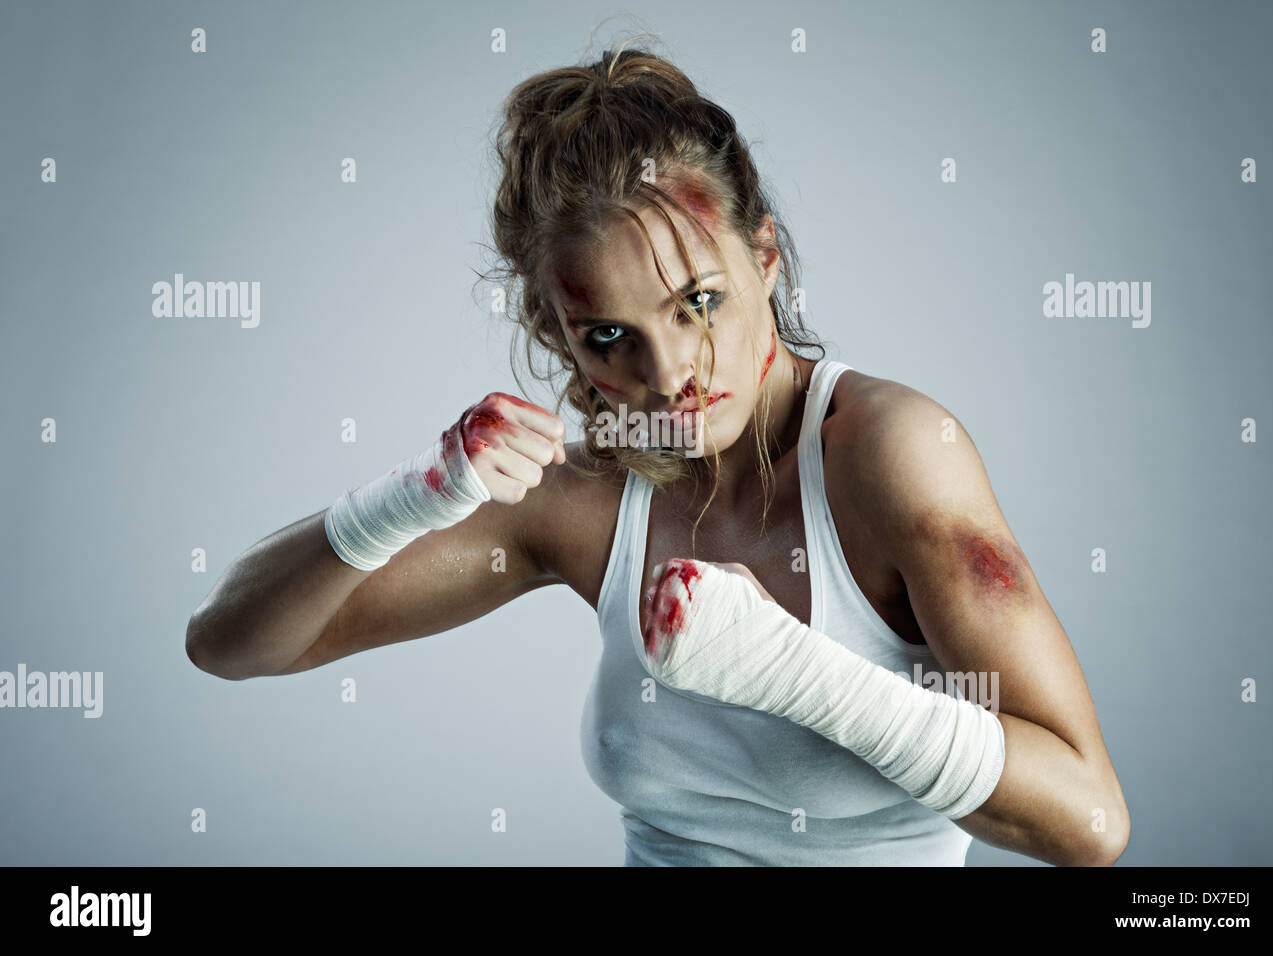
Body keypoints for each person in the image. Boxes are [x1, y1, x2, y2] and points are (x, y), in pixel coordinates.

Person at [186, 42, 1129, 867]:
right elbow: (230, 642)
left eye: (699, 303)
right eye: (607, 337)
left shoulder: (892, 452)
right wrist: (414, 496)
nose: (672, 371)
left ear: (767, 257)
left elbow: (1089, 824)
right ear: (558, 336)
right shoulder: (584, 492)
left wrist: (790, 672)